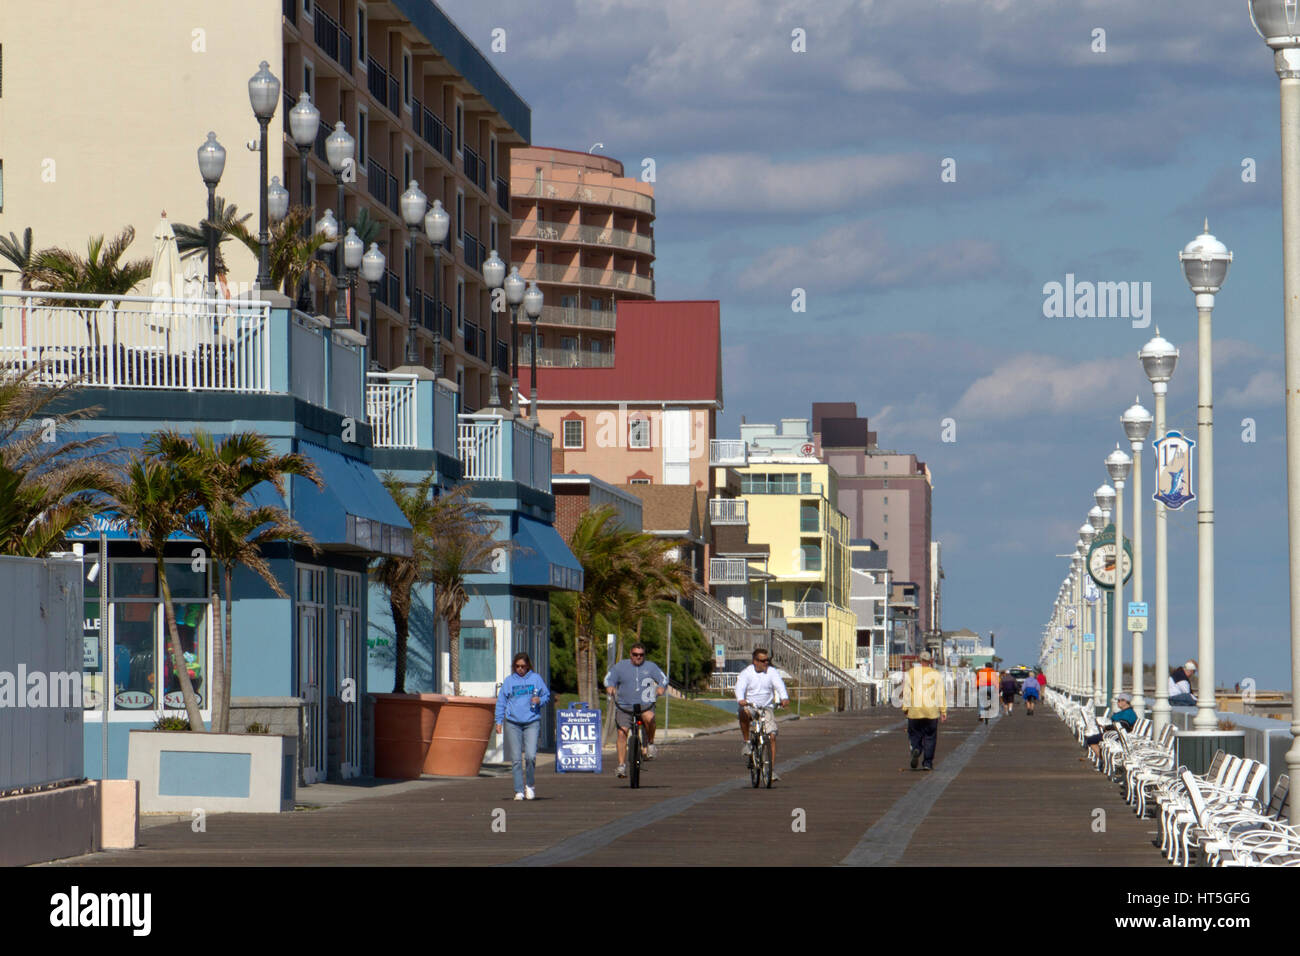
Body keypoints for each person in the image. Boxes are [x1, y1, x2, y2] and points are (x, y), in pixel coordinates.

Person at [604, 641, 667, 778]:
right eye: (635, 654)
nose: (638, 657)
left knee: (649, 718)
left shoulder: (651, 667)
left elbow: (663, 678)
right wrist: (610, 687)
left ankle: (650, 743)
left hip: (645, 704)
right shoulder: (620, 667)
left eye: (641, 655)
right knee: (622, 733)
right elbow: (608, 679)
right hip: (624, 705)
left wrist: (661, 687)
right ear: (630, 654)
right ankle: (621, 766)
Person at [494, 652, 551, 801]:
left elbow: (547, 695)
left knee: (531, 756)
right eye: (517, 666)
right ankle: (519, 790)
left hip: (532, 721)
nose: (520, 669)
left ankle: (530, 786)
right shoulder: (509, 681)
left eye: (523, 666)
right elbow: (501, 702)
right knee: (516, 759)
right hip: (513, 723)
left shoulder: (536, 679)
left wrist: (540, 700)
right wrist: (498, 721)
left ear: (528, 666)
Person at [735, 647, 789, 779]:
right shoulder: (747, 673)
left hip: (767, 707)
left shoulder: (772, 672)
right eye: (762, 660)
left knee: (772, 736)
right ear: (755, 661)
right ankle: (747, 742)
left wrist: (784, 697)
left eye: (767, 660)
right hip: (751, 705)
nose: (766, 663)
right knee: (743, 713)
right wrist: (741, 699)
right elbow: (740, 686)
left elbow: (779, 685)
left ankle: (770, 771)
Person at [902, 650, 947, 771]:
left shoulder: (910, 673)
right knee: (930, 737)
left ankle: (917, 749)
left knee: (914, 734)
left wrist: (905, 708)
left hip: (915, 711)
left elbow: (906, 692)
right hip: (931, 712)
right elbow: (940, 693)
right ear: (930, 661)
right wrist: (943, 711)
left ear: (919, 660)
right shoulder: (936, 674)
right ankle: (927, 763)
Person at [1083, 692, 1137, 762]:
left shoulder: (1128, 713)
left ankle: (1104, 760)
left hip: (1117, 736)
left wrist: (1106, 727)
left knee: (1091, 740)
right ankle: (1104, 758)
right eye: (1118, 700)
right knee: (1093, 739)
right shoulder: (1126, 712)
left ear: (1125, 702)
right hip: (1115, 734)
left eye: (1119, 700)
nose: (1118, 702)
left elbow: (1122, 726)